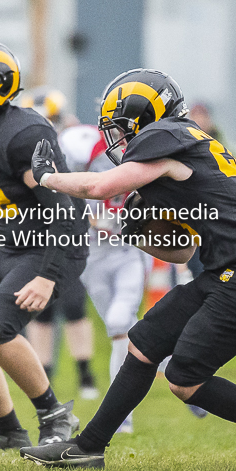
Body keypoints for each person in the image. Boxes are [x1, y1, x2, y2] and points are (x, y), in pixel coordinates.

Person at [20, 68, 236, 471]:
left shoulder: (168, 137)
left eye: (121, 128)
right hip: (228, 272)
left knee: (184, 378)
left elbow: (99, 187)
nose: (117, 139)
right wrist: (138, 233)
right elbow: (180, 252)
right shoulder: (192, 146)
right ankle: (88, 447)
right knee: (144, 343)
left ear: (147, 118)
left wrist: (45, 177)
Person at [0, 41, 89, 450]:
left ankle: (54, 414)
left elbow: (61, 207)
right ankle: (9, 430)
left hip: (52, 245)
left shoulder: (24, 132)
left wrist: (48, 276)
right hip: (11, 247)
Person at [58, 122, 153, 430]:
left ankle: (122, 419)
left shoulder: (150, 152)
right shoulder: (82, 145)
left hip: (128, 252)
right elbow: (65, 192)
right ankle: (170, 358)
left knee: (118, 323)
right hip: (93, 256)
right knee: (123, 331)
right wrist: (87, 217)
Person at [20, 88, 98, 399]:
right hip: (38, 231)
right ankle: (45, 376)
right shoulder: (22, 146)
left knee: (74, 303)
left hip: (72, 229)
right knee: (41, 310)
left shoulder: (75, 142)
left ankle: (85, 374)